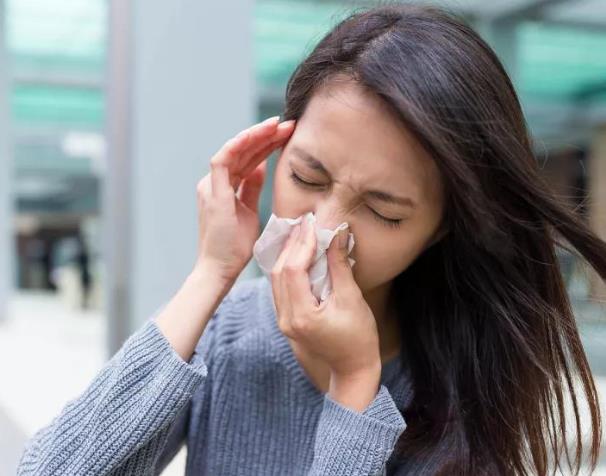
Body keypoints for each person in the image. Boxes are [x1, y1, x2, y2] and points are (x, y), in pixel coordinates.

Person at [17, 4, 605, 475]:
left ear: (440, 230)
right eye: (305, 177)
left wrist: (355, 386)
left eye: (383, 211)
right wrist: (210, 277)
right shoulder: (224, 332)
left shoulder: (468, 381)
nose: (323, 231)